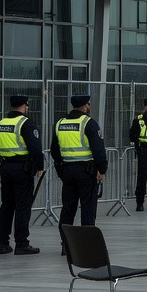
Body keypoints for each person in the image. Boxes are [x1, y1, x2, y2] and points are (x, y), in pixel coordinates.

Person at [51, 94, 107, 255]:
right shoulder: (88, 123)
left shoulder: (60, 123)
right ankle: (86, 245)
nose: (89, 107)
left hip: (67, 171)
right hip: (86, 172)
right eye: (88, 104)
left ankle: (66, 244)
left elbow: (55, 150)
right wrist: (102, 170)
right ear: (84, 106)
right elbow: (99, 151)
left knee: (68, 208)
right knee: (88, 208)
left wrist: (61, 168)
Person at [0, 94, 44, 255]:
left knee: (6, 206)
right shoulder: (25, 123)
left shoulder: (0, 124)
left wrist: (1, 165)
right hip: (22, 169)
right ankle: (21, 243)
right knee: (23, 207)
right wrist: (40, 167)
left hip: (5, 168)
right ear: (24, 105)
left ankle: (3, 243)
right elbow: (35, 149)